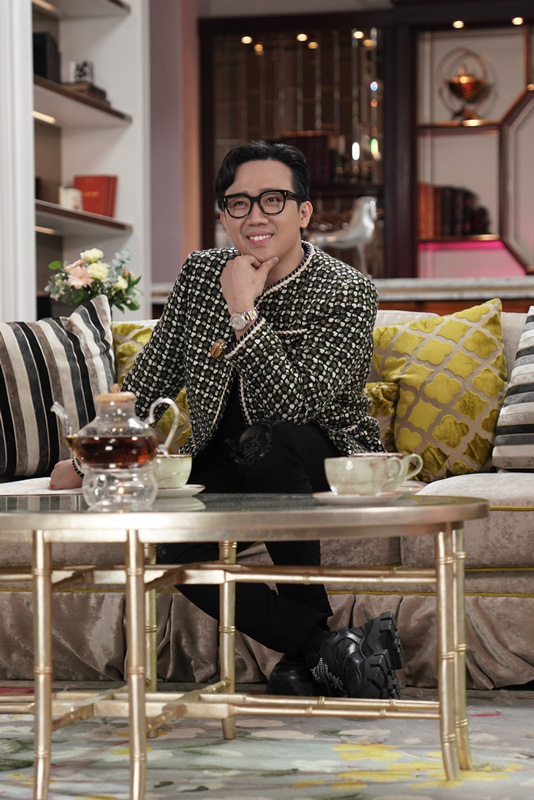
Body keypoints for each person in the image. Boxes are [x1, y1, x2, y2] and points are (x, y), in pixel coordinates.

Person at [50, 140, 402, 698]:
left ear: (303, 212)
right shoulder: (200, 274)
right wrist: (89, 456)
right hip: (228, 452)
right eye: (239, 203)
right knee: (173, 545)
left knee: (270, 439)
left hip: (322, 453)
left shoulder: (346, 289)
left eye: (273, 200)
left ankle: (314, 648)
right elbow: (153, 375)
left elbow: (296, 404)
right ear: (224, 215)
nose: (255, 216)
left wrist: (243, 311)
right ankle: (320, 648)